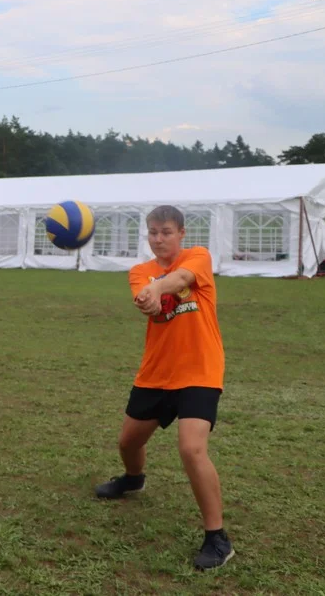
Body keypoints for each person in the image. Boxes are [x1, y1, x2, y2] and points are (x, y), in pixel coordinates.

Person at [95, 205, 234, 570]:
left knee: (191, 449)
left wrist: (158, 288)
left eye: (166, 232)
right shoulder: (139, 271)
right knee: (128, 443)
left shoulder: (198, 256)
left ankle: (217, 538)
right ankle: (133, 479)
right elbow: (146, 298)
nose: (159, 239)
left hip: (200, 371)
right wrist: (148, 296)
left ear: (181, 233)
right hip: (155, 375)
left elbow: (180, 279)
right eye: (153, 232)